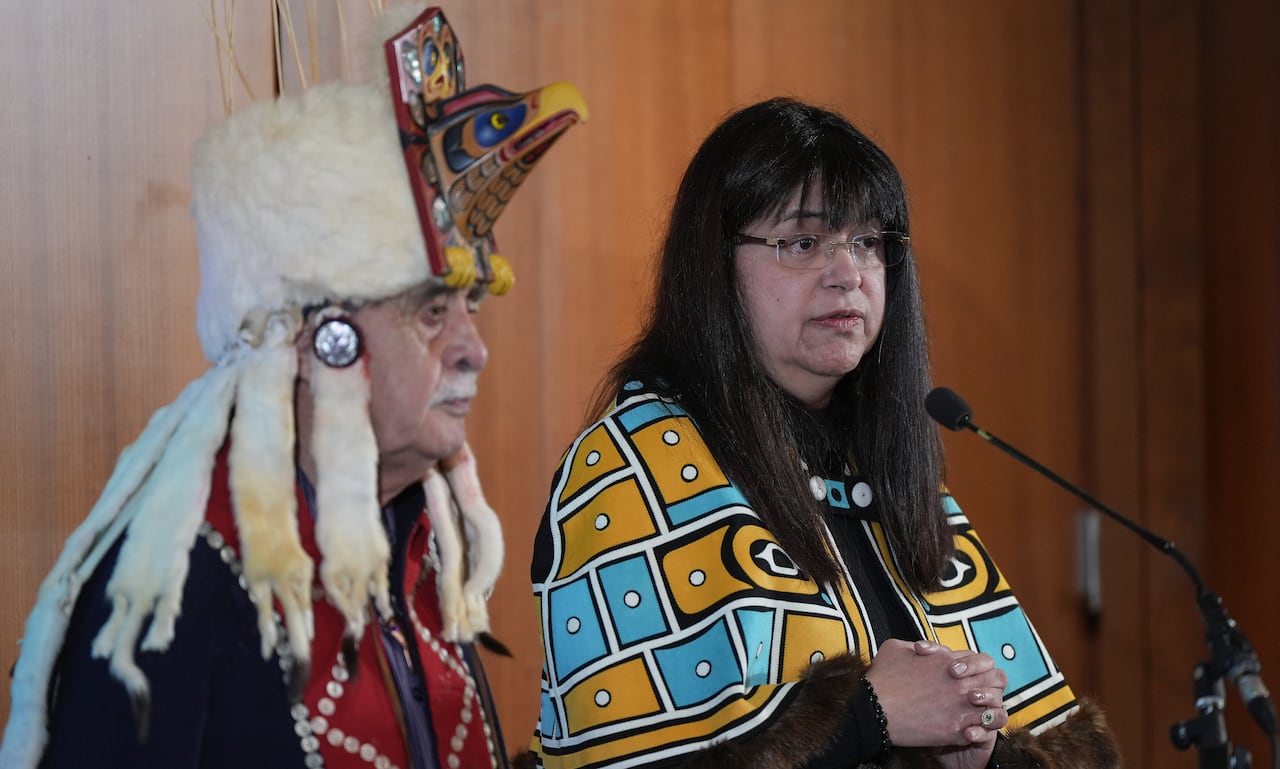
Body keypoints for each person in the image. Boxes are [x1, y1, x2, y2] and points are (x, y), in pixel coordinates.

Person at [0, 6, 585, 769]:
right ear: (320, 341)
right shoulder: (174, 587)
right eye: (430, 312)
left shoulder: (414, 548)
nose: (472, 348)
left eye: (468, 308)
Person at [523, 98, 1119, 769]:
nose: (848, 274)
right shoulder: (627, 469)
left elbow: (1053, 749)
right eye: (802, 243)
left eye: (868, 243)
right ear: (714, 264)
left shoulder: (886, 465)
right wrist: (870, 717)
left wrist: (979, 749)